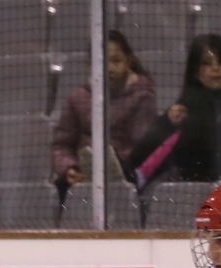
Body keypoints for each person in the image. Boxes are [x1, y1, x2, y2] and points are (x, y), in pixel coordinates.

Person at [125, 34, 221, 189]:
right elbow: (149, 149)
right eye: (207, 63)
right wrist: (167, 122)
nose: (215, 68)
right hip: (192, 188)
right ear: (195, 71)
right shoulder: (186, 105)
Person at [52, 30, 157, 193]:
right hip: (83, 178)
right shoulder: (78, 97)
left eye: (116, 61)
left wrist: (115, 163)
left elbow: (143, 146)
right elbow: (62, 144)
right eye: (102, 61)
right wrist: (69, 169)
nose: (109, 68)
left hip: (127, 176)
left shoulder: (142, 96)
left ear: (128, 61)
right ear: (89, 64)